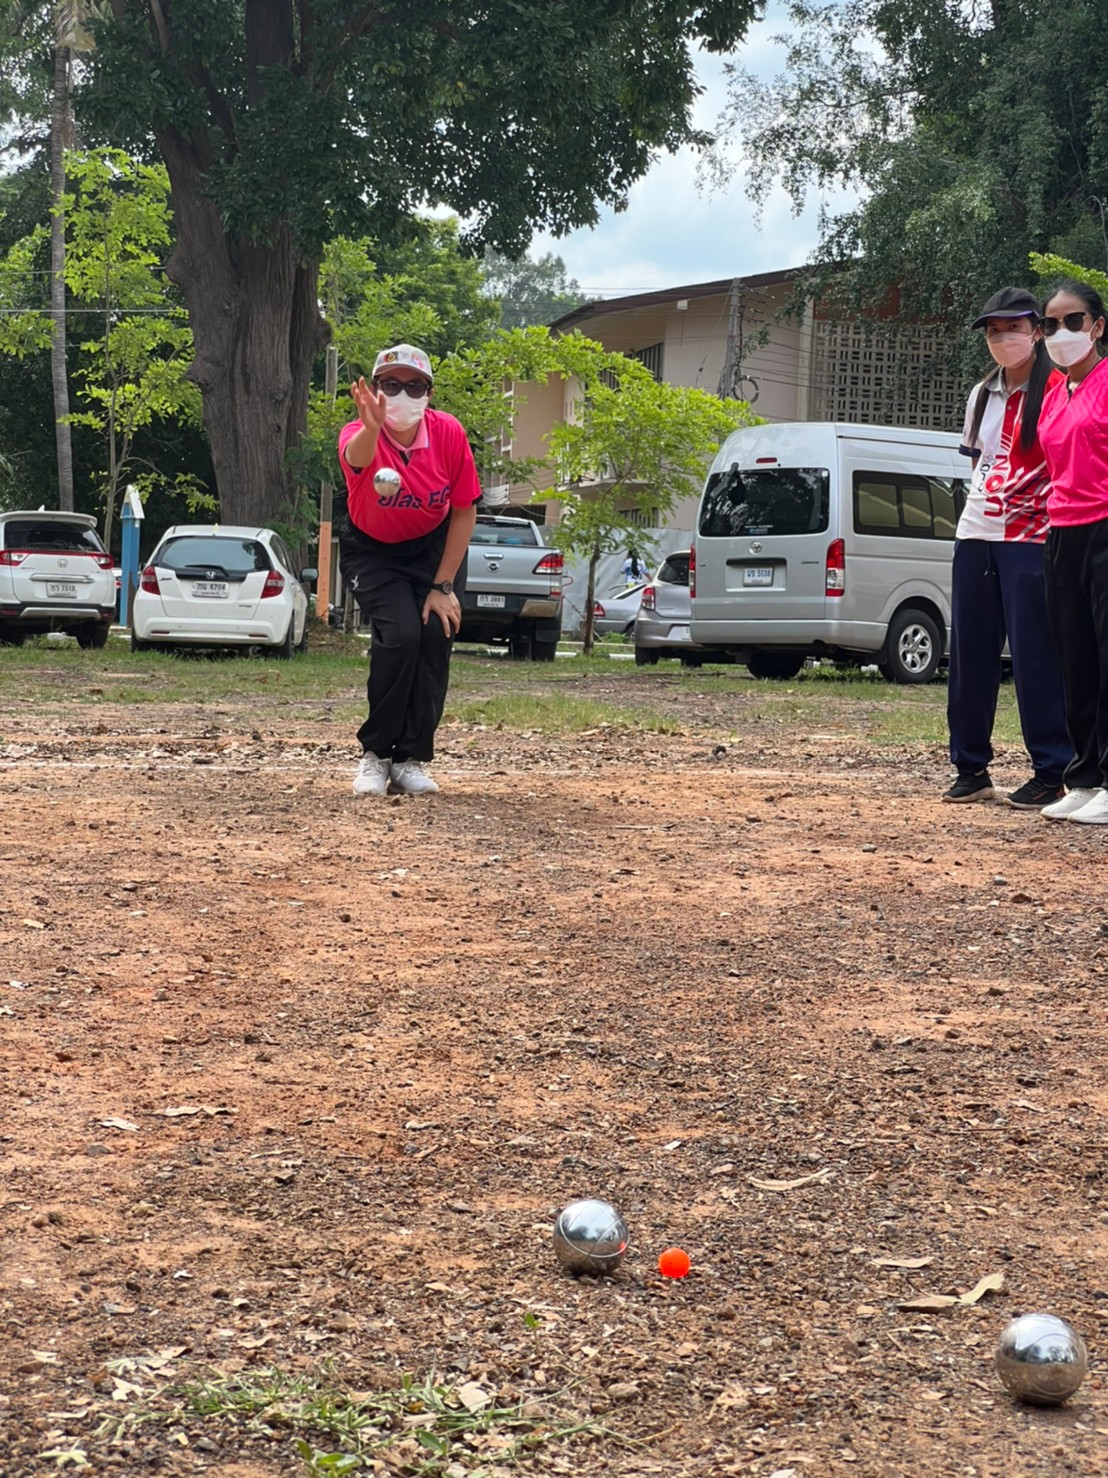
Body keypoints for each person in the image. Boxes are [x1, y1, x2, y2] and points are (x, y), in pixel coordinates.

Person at [942, 287, 1071, 808]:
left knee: (1035, 654)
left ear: (1036, 331)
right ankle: (970, 766)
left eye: (1013, 328)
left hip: (1033, 536)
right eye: (993, 331)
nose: (1003, 339)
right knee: (970, 652)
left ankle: (1051, 769)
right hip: (976, 532)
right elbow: (979, 464)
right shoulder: (982, 393)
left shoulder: (1059, 389)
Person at [338, 343, 481, 797]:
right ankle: (376, 754)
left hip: (432, 551)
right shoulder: (359, 434)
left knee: (436, 634)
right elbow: (358, 458)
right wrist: (371, 426)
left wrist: (443, 585)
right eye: (391, 384)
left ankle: (410, 759)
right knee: (402, 635)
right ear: (376, 389)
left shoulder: (448, 433)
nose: (403, 394)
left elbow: (464, 510)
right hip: (373, 552)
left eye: (415, 386)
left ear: (429, 393)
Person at [1035, 281, 1108, 824]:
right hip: (1062, 532)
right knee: (1076, 658)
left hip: (1104, 527)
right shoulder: (1054, 392)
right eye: (1051, 324)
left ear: (1097, 326)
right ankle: (1084, 778)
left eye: (1073, 321)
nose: (1062, 332)